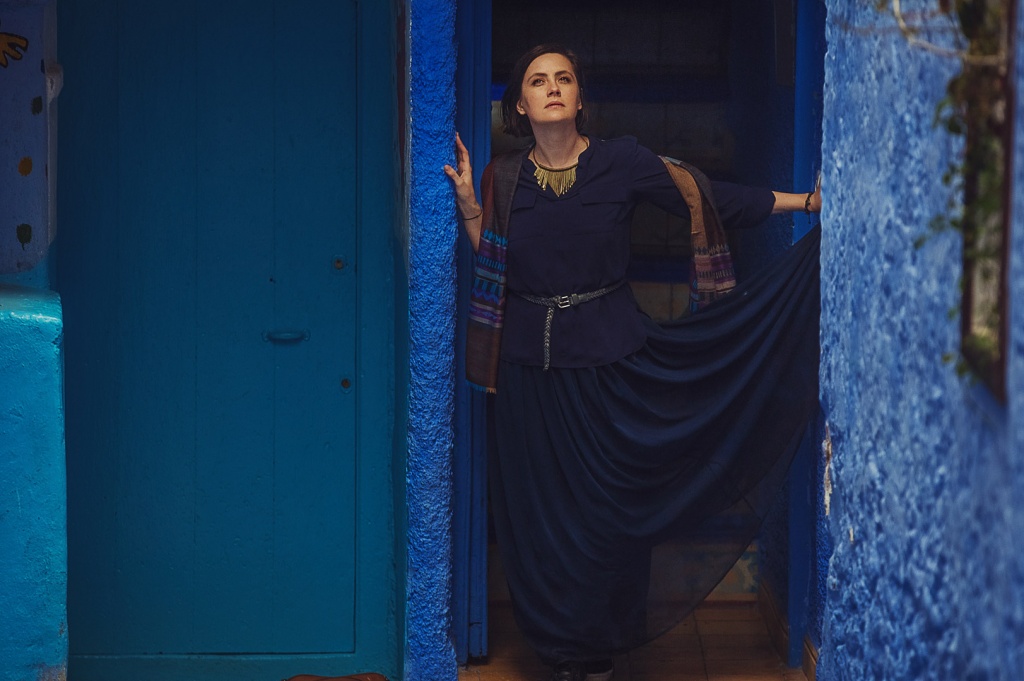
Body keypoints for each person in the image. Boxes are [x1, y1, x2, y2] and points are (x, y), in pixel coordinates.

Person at [444, 44, 822, 681]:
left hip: (610, 365)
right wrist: (470, 211)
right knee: (541, 520)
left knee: (605, 515)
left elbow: (707, 197)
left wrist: (805, 203)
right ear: (520, 106)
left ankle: (598, 651)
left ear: (580, 98)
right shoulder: (501, 176)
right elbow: (497, 268)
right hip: (527, 375)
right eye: (538, 81)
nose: (553, 87)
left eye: (565, 78)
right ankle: (562, 653)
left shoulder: (622, 162)